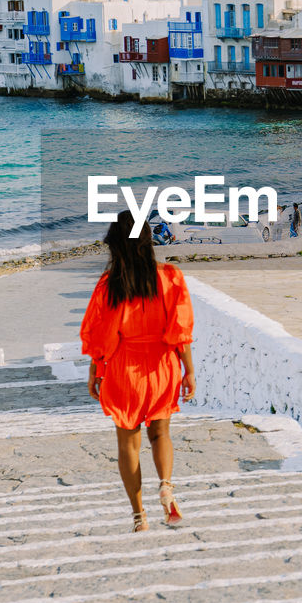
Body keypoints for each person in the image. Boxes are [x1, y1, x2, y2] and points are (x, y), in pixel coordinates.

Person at [81, 210, 195, 533]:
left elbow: (101, 337)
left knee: (127, 445)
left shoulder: (110, 286)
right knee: (160, 433)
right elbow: (181, 330)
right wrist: (188, 371)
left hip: (124, 370)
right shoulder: (170, 277)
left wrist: (95, 372)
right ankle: (166, 485)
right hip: (162, 366)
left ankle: (139, 516)